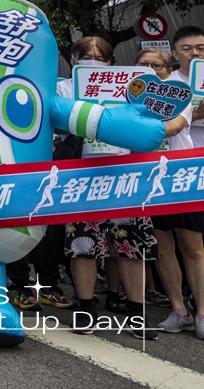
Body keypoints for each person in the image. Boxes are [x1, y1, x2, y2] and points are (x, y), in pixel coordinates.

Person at [58, 37, 158, 340]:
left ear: (112, 62)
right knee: (83, 245)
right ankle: (86, 307)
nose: (92, 61)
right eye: (84, 56)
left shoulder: (132, 87)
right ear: (73, 61)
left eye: (99, 57)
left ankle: (137, 312)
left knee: (130, 246)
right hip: (83, 177)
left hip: (126, 176)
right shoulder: (64, 88)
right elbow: (55, 122)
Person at [139, 46, 204, 338]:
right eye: (143, 65)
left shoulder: (180, 98)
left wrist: (132, 127)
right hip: (147, 177)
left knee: (192, 248)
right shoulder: (126, 100)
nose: (152, 69)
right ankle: (179, 311)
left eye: (158, 66)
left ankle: (202, 312)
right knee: (162, 247)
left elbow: (175, 127)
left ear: (169, 70)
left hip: (181, 178)